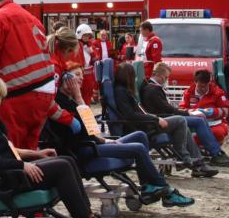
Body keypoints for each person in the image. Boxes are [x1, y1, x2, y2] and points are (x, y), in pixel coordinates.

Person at [0, 73, 121, 218]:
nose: (1, 103)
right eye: (1, 98)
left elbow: (7, 149)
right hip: (2, 180)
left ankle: (89, 217)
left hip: (10, 171)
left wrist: (36, 154)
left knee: (67, 161)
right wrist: (22, 165)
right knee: (62, 168)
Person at [42, 84, 195, 208]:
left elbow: (91, 129)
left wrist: (103, 139)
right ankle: (164, 190)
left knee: (140, 136)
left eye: (81, 77)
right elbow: (88, 129)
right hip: (84, 149)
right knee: (138, 148)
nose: (80, 81)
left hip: (94, 142)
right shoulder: (63, 103)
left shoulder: (71, 101)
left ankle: (148, 186)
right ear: (66, 83)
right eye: (75, 79)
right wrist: (80, 98)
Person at [0, 0, 78, 150]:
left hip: (16, 99)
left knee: (13, 152)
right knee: (32, 153)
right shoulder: (33, 19)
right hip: (43, 99)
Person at [111, 62, 219, 177]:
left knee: (181, 123)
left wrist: (154, 118)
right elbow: (130, 115)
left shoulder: (123, 91)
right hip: (142, 126)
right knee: (181, 121)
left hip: (143, 123)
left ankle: (196, 162)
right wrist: (155, 119)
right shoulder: (122, 92)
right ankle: (187, 158)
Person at [141, 62, 229, 166]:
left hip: (163, 118)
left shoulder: (152, 88)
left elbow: (167, 108)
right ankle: (216, 153)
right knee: (199, 121)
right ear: (159, 76)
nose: (167, 80)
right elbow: (168, 109)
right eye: (166, 77)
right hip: (162, 119)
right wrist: (188, 113)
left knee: (199, 120)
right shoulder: (153, 90)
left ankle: (215, 152)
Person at [180, 69, 229, 147]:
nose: (203, 89)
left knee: (218, 133)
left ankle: (212, 148)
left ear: (209, 83)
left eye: (205, 86)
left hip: (215, 123)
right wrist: (194, 112)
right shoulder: (188, 93)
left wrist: (212, 112)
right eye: (200, 86)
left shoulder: (217, 93)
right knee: (183, 134)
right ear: (195, 82)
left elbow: (227, 110)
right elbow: (181, 110)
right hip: (194, 123)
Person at [75, 23, 97, 106]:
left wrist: (92, 53)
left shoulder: (90, 46)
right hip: (80, 75)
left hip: (89, 76)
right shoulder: (75, 46)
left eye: (88, 35)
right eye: (85, 35)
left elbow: (95, 60)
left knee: (87, 99)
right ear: (80, 35)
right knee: (79, 99)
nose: (87, 37)